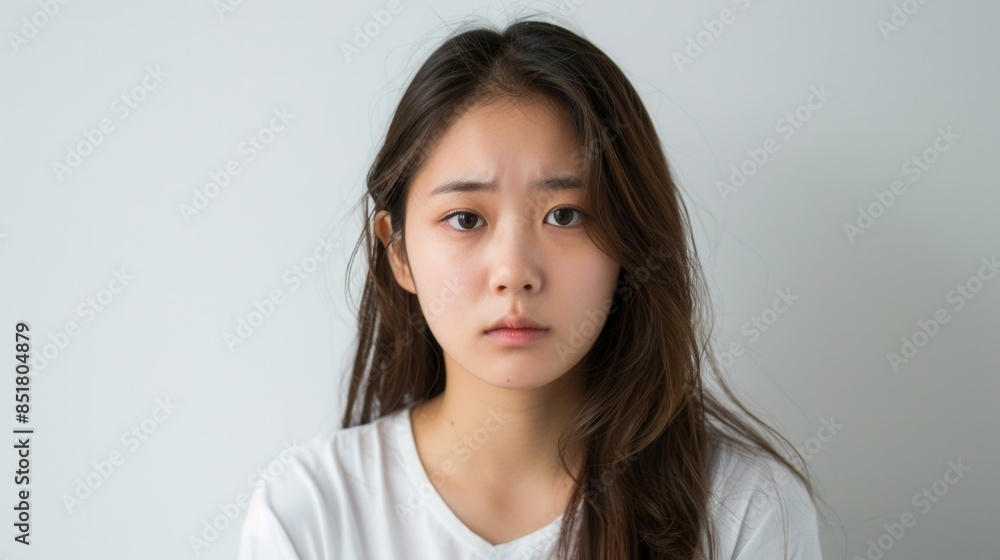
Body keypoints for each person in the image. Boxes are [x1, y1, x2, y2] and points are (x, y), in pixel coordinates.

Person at [238, 16, 825, 560]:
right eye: (466, 219)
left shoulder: (743, 508)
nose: (515, 271)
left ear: (630, 242)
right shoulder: (307, 511)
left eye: (566, 216)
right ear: (399, 251)